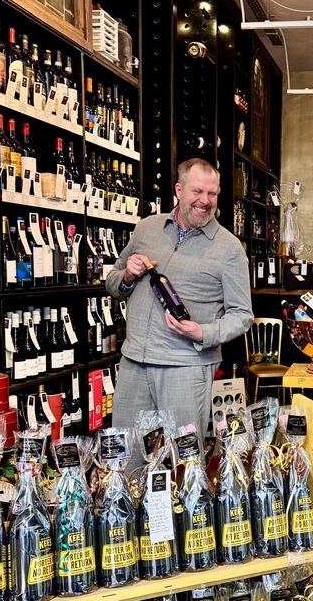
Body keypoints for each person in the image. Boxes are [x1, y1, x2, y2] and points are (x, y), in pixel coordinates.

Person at [106, 157, 253, 449]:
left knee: (182, 461)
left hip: (186, 368)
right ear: (178, 189)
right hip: (134, 363)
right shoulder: (147, 228)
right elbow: (113, 282)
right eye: (197, 192)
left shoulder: (229, 248)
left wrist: (202, 333)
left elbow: (242, 315)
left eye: (212, 193)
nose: (205, 201)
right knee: (126, 457)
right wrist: (128, 276)